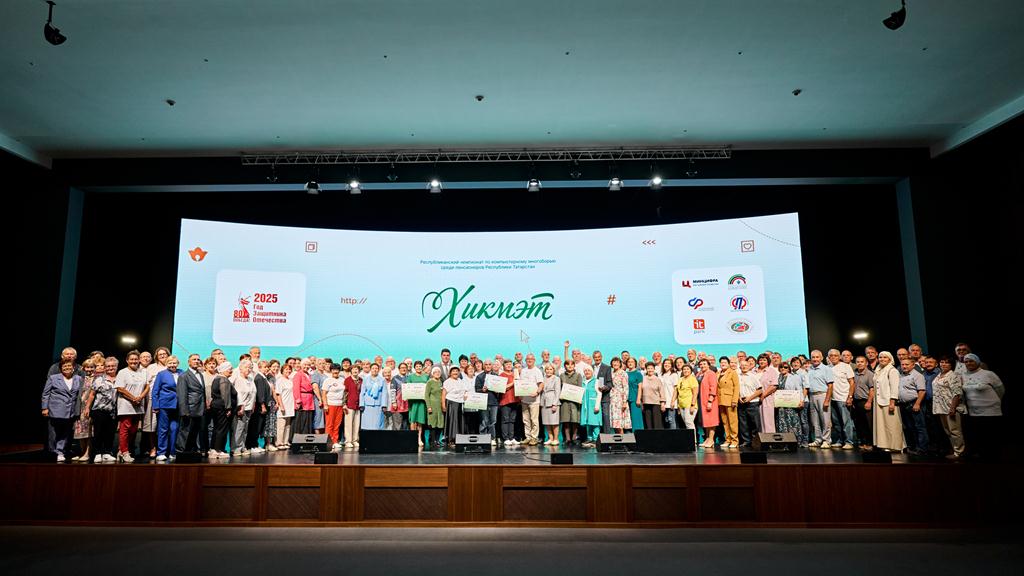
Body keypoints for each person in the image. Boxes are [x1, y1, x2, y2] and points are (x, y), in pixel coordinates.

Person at [960, 354, 1004, 460]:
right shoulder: (963, 375)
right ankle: (981, 457)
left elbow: (1000, 389)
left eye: (971, 361)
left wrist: (994, 402)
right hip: (974, 411)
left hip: (991, 411)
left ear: (977, 362)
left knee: (990, 437)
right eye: (966, 362)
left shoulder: (988, 374)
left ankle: (992, 459)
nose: (968, 363)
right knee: (978, 436)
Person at [41, 360, 83, 462]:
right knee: (54, 432)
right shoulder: (53, 378)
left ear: (73, 368)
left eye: (69, 366)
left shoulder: (78, 378)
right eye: (64, 366)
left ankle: (60, 451)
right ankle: (53, 451)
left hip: (70, 410)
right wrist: (44, 408)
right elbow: (46, 394)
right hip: (55, 409)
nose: (67, 368)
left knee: (65, 432)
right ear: (61, 368)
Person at [83, 356, 118, 462]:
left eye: (113, 366)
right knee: (98, 433)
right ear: (105, 367)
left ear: (116, 367)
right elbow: (92, 394)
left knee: (110, 432)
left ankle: (107, 452)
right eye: (108, 366)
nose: (110, 368)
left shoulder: (120, 379)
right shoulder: (99, 379)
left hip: (113, 411)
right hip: (99, 410)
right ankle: (97, 453)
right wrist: (87, 407)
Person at [114, 350, 147, 462]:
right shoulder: (122, 372)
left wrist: (140, 397)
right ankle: (124, 452)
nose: (134, 361)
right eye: (131, 359)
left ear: (139, 360)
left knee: (133, 430)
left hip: (138, 404)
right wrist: (133, 398)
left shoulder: (143, 371)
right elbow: (120, 388)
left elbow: (147, 386)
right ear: (127, 360)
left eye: (136, 359)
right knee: (125, 429)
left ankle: (122, 450)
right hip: (126, 404)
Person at [932, 356, 966, 459]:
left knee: (955, 431)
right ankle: (955, 450)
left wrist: (953, 408)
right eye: (942, 362)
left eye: (947, 362)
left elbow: (957, 393)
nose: (943, 364)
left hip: (950, 407)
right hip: (941, 407)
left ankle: (959, 452)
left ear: (951, 365)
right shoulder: (939, 375)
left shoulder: (953, 376)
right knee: (948, 431)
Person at [151, 355, 183, 461]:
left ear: (178, 364)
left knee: (175, 429)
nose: (172, 365)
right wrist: (155, 405)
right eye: (170, 363)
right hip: (164, 405)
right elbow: (155, 391)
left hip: (178, 406)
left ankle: (173, 452)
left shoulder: (182, 373)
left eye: (174, 363)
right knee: (163, 429)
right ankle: (161, 452)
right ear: (166, 364)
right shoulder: (161, 374)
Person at [872, 352, 905, 452]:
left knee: (892, 424)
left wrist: (892, 402)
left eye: (885, 357)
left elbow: (894, 387)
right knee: (882, 425)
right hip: (879, 401)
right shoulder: (878, 370)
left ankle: (895, 446)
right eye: (880, 357)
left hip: (888, 401)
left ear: (890, 359)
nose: (882, 359)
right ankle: (885, 444)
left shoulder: (892, 370)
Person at [897, 357, 928, 455]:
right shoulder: (901, 375)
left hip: (914, 403)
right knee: (909, 427)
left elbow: (922, 391)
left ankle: (922, 448)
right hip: (904, 405)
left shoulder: (917, 375)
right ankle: (914, 447)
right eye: (902, 364)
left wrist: (917, 404)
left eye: (907, 364)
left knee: (919, 427)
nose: (904, 366)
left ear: (913, 365)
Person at [177, 354, 207, 453]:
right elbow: (182, 394)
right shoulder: (184, 376)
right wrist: (184, 411)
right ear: (189, 362)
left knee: (195, 433)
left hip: (200, 409)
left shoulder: (200, 375)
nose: (196, 361)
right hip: (189, 409)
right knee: (185, 432)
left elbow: (202, 392)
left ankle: (191, 452)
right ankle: (181, 452)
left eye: (198, 359)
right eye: (194, 359)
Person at [827, 349, 856, 449]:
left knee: (846, 421)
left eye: (835, 355)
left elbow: (852, 382)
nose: (833, 357)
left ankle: (849, 442)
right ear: (828, 357)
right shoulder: (828, 368)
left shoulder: (846, 366)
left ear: (839, 357)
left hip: (843, 398)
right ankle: (840, 440)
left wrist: (850, 397)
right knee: (836, 422)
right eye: (831, 355)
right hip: (832, 399)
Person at [805, 350, 834, 449]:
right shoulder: (809, 369)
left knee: (825, 419)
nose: (815, 359)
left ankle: (827, 440)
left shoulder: (826, 369)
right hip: (812, 395)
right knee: (815, 420)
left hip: (823, 395)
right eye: (813, 357)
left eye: (817, 357)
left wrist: (827, 400)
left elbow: (830, 386)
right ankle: (818, 439)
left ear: (821, 358)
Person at [209, 362, 237, 459]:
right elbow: (225, 395)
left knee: (217, 428)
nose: (231, 371)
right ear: (223, 370)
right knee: (222, 428)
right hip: (222, 408)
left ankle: (213, 449)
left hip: (216, 406)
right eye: (229, 369)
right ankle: (218, 450)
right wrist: (228, 408)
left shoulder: (216, 378)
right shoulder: (223, 380)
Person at [70, 358, 96, 462]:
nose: (89, 369)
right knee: (80, 432)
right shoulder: (80, 379)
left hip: (90, 408)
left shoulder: (97, 379)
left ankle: (87, 453)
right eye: (87, 367)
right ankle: (82, 452)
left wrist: (88, 407)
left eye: (91, 367)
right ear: (84, 368)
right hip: (79, 408)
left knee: (89, 432)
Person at [776, 361, 806, 444]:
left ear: (789, 369)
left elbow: (799, 389)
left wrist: (801, 400)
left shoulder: (793, 377)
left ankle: (796, 441)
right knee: (782, 421)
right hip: (781, 404)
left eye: (785, 367)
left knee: (792, 421)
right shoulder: (778, 377)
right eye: (781, 367)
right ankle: (784, 441)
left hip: (791, 403)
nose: (783, 369)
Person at [518, 353, 544, 445]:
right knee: (525, 420)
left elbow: (541, 384)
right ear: (525, 360)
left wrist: (537, 392)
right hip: (524, 399)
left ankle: (534, 438)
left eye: (531, 359)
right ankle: (528, 437)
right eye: (528, 359)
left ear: (534, 360)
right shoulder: (523, 371)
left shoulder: (537, 371)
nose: (529, 360)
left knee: (534, 420)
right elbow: (520, 384)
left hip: (534, 400)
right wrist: (519, 394)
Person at [737, 357, 763, 447]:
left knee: (755, 423)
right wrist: (738, 397)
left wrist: (750, 398)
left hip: (752, 402)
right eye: (742, 365)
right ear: (740, 367)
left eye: (746, 365)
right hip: (741, 403)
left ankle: (756, 441)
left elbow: (760, 390)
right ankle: (746, 441)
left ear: (749, 366)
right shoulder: (737, 376)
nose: (744, 367)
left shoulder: (753, 376)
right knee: (743, 424)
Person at [851, 355, 875, 450]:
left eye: (862, 362)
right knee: (859, 423)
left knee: (868, 423)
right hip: (856, 402)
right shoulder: (854, 373)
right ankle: (863, 441)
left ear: (866, 363)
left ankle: (870, 442)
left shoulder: (869, 374)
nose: (860, 363)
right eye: (858, 362)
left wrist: (869, 402)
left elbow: (872, 389)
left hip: (865, 401)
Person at [322, 363, 347, 450]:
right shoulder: (327, 380)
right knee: (330, 424)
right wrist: (325, 404)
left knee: (337, 424)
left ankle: (335, 441)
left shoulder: (342, 379)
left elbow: (345, 392)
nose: (335, 371)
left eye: (337, 370)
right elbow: (324, 393)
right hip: (330, 404)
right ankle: (329, 442)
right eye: (333, 370)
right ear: (331, 371)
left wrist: (344, 404)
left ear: (339, 371)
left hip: (340, 405)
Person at [559, 360, 583, 445]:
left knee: (575, 420)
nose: (569, 366)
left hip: (575, 401)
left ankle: (574, 438)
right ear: (565, 366)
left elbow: (580, 388)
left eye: (572, 364)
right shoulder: (562, 375)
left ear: (574, 366)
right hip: (565, 401)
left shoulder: (578, 375)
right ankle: (567, 439)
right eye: (567, 364)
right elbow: (559, 388)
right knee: (566, 421)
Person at [716, 357, 738, 449]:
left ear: (728, 364)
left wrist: (734, 400)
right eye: (721, 362)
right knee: (725, 421)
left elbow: (736, 387)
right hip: (720, 400)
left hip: (730, 400)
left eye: (725, 362)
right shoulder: (718, 373)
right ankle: (728, 439)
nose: (723, 364)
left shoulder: (732, 372)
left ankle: (735, 440)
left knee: (732, 421)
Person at [407, 360, 429, 447]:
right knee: (413, 420)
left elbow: (428, 389)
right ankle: (413, 438)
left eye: (420, 366)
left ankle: (419, 438)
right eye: (417, 366)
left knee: (420, 421)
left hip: (422, 402)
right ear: (414, 367)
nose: (418, 367)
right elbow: (408, 388)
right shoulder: (410, 377)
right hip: (413, 402)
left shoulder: (426, 377)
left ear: (422, 367)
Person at [579, 366, 603, 448]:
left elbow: (600, 394)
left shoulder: (598, 381)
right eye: (585, 370)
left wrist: (597, 406)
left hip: (593, 405)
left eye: (588, 370)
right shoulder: (583, 382)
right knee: (588, 422)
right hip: (585, 405)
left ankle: (596, 439)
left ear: (592, 372)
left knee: (595, 423)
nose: (587, 372)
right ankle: (589, 438)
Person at [755, 353, 779, 433]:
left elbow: (774, 386)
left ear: (768, 361)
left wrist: (763, 395)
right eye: (760, 360)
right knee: (757, 422)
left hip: (766, 398)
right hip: (754, 399)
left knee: (767, 420)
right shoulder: (753, 371)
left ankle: (769, 438)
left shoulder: (772, 371)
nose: (762, 361)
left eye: (764, 360)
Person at [360, 363, 387, 431]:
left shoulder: (382, 380)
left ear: (379, 369)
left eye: (376, 368)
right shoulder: (365, 379)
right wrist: (361, 404)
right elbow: (362, 392)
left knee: (377, 425)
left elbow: (384, 393)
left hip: (378, 404)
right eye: (373, 368)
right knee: (367, 424)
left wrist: (384, 405)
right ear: (370, 369)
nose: (374, 370)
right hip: (367, 405)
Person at [637, 362, 665, 430]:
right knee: (648, 423)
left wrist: (662, 403)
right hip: (646, 403)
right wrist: (641, 401)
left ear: (654, 369)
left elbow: (662, 391)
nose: (650, 370)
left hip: (656, 403)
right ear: (646, 369)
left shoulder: (657, 379)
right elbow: (640, 390)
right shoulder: (643, 379)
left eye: (651, 368)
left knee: (656, 423)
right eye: (648, 368)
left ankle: (658, 436)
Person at [540, 363, 562, 445]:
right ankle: (550, 438)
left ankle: (556, 439)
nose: (548, 371)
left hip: (553, 402)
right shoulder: (543, 378)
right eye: (547, 369)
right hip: (544, 402)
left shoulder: (556, 379)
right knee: (547, 422)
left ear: (553, 370)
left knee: (554, 422)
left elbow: (557, 391)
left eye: (550, 369)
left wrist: (555, 404)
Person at [275, 363, 296, 450]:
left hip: (290, 405)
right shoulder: (280, 380)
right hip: (283, 404)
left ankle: (285, 441)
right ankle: (279, 442)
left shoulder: (290, 380)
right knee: (281, 425)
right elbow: (278, 394)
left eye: (289, 369)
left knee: (288, 425)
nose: (288, 371)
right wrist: (281, 406)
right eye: (286, 369)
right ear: (282, 371)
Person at [609, 357, 631, 434]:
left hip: (620, 399)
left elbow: (626, 387)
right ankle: (617, 439)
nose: (615, 364)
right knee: (615, 423)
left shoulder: (623, 373)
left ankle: (622, 440)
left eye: (617, 362)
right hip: (612, 399)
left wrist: (625, 401)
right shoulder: (611, 373)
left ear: (620, 363)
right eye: (614, 362)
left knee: (620, 423)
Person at [292, 359, 315, 435]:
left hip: (309, 399)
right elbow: (296, 388)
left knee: (308, 418)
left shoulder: (309, 375)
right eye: (305, 364)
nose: (306, 366)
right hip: (302, 399)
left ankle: (307, 436)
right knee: (301, 419)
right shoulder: (298, 375)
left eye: (308, 365)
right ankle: (298, 437)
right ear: (301, 365)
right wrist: (298, 400)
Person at [424, 367, 445, 449]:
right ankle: (432, 441)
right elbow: (426, 395)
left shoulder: (441, 382)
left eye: (439, 372)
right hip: (432, 405)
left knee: (440, 423)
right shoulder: (430, 382)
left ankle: (437, 440)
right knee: (433, 424)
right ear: (432, 373)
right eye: (435, 372)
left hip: (440, 406)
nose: (437, 373)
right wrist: (429, 406)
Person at [676, 364, 699, 434]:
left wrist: (692, 405)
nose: (686, 370)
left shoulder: (693, 379)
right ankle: (689, 439)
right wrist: (678, 406)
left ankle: (693, 439)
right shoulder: (681, 379)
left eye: (687, 369)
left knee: (689, 423)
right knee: (686, 423)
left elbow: (695, 393)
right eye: (684, 369)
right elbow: (678, 392)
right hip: (682, 405)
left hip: (689, 405)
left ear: (691, 371)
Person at [625, 358, 644, 432]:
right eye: (629, 362)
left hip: (635, 397)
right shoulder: (625, 373)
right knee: (628, 418)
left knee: (636, 417)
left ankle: (638, 434)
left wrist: (638, 399)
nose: (630, 363)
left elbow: (640, 387)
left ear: (635, 363)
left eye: (632, 362)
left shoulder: (638, 373)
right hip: (626, 398)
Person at [659, 358, 679, 430]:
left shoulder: (674, 375)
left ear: (671, 365)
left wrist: (673, 401)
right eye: (665, 363)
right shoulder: (661, 375)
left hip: (671, 401)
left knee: (671, 420)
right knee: (666, 421)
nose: (666, 365)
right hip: (663, 402)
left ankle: (673, 436)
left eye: (668, 363)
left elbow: (676, 389)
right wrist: (662, 402)